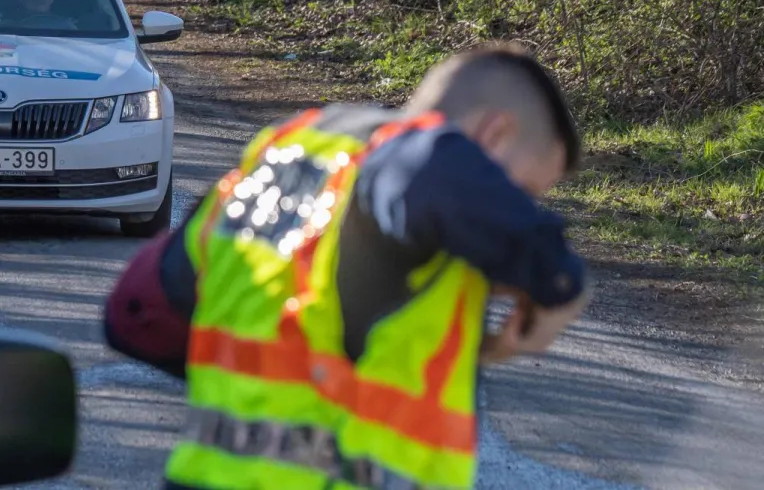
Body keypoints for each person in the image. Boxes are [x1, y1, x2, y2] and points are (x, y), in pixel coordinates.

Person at [103, 43, 590, 490]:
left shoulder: (289, 150)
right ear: (493, 134)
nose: (518, 210)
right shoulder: (417, 159)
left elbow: (136, 315)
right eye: (524, 193)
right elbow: (434, 171)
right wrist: (561, 288)